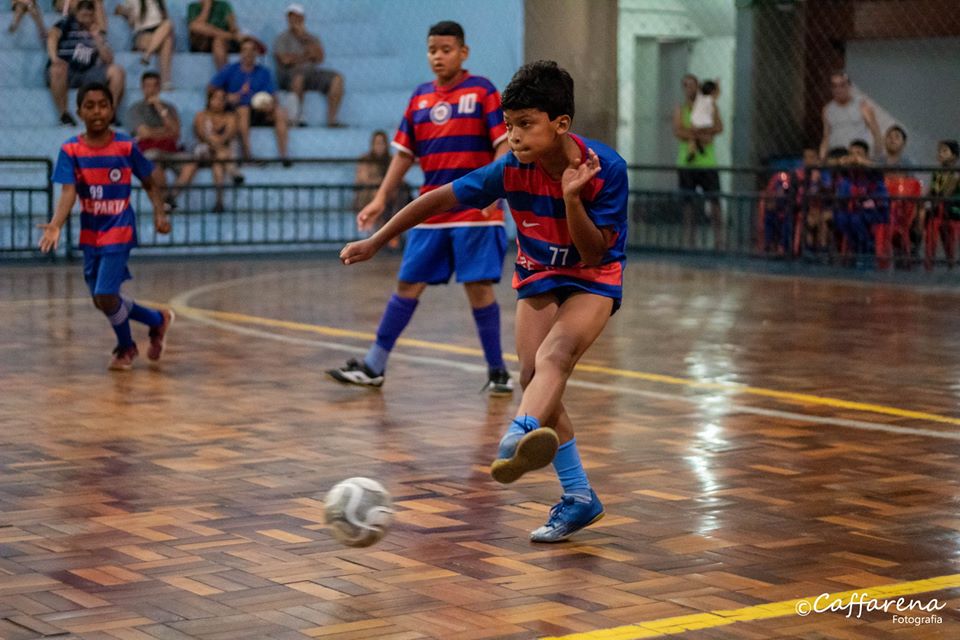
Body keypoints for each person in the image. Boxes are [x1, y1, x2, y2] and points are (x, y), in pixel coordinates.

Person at [339, 60, 627, 543]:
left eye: (525, 125)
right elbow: (434, 200)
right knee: (535, 376)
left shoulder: (605, 169)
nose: (513, 136)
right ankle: (579, 498)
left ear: (561, 124)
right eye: (509, 125)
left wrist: (572, 199)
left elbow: (593, 250)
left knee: (555, 356)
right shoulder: (510, 169)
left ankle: (518, 433)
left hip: (591, 273)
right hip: (538, 271)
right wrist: (376, 239)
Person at [327, 21, 512, 394]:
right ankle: (374, 365)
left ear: (463, 52)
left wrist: (495, 190)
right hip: (431, 212)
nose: (438, 56)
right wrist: (380, 198)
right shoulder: (420, 98)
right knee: (407, 284)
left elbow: (503, 144)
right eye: (432, 50)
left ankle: (498, 372)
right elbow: (403, 155)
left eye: (446, 49)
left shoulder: (482, 91)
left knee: (478, 289)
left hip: (475, 212)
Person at [38, 82, 174, 370]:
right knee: (102, 300)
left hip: (119, 229)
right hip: (91, 234)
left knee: (105, 295)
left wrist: (160, 213)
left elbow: (149, 182)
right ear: (79, 112)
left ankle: (126, 348)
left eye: (103, 105)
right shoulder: (71, 150)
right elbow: (68, 192)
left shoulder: (125, 145)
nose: (97, 111)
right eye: (90, 106)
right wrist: (55, 224)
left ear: (112, 109)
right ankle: (156, 320)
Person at [209, 36, 290, 165]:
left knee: (280, 112)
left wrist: (270, 105)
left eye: (252, 50)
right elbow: (211, 88)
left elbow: (273, 95)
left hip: (259, 110)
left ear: (256, 53)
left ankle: (284, 156)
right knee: (243, 109)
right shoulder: (230, 69)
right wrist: (227, 96)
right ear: (240, 53)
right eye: (245, 50)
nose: (248, 53)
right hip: (238, 110)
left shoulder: (264, 72)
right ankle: (248, 155)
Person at [47, 0, 126, 126]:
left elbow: (108, 59)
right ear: (77, 14)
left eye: (89, 15)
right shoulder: (66, 23)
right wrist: (54, 58)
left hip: (89, 72)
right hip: (68, 70)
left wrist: (97, 38)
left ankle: (110, 114)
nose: (86, 18)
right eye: (83, 15)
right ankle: (64, 114)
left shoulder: (96, 31)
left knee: (117, 71)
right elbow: (52, 36)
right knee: (56, 69)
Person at [167, 87, 239, 213]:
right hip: (203, 152)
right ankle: (171, 197)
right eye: (215, 98)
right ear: (209, 100)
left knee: (218, 164)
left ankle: (219, 202)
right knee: (191, 165)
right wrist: (214, 142)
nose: (219, 102)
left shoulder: (231, 117)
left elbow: (229, 135)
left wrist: (217, 142)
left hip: (220, 154)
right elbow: (201, 135)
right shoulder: (201, 115)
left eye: (222, 99)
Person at [673, 73, 724, 249]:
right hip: (687, 163)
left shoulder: (709, 106)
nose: (690, 89)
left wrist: (697, 133)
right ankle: (690, 241)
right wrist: (699, 134)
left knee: (715, 201)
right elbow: (678, 131)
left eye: (693, 85)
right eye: (686, 85)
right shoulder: (682, 109)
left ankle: (719, 240)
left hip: (707, 162)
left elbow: (718, 127)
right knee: (689, 204)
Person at [273, 3, 345, 128]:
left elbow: (319, 57)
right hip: (289, 74)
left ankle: (332, 120)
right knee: (299, 78)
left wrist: (304, 39)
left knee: (337, 79)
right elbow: (285, 61)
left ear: (302, 18)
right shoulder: (282, 38)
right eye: (290, 17)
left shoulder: (312, 38)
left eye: (296, 17)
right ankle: (297, 118)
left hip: (311, 72)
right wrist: (306, 56)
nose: (293, 20)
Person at [125, 71, 181, 197]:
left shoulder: (169, 108)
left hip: (170, 150)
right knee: (152, 163)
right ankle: (164, 201)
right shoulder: (135, 109)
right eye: (147, 86)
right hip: (150, 151)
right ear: (142, 88)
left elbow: (176, 133)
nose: (151, 89)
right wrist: (166, 131)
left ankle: (171, 197)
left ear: (159, 87)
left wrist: (159, 107)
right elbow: (144, 133)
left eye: (155, 86)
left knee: (191, 164)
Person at [818, 71, 881, 161]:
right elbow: (826, 137)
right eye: (834, 86)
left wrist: (876, 157)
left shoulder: (862, 106)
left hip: (857, 159)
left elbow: (876, 132)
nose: (838, 89)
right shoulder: (827, 110)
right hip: (836, 158)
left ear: (849, 86)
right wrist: (822, 159)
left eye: (842, 85)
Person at [354, 130, 401, 249]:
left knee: (400, 193)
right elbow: (362, 179)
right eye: (377, 143)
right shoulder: (365, 159)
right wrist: (383, 185)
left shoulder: (391, 159)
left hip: (390, 196)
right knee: (379, 195)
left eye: (382, 143)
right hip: (369, 195)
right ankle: (387, 236)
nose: (379, 146)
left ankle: (393, 234)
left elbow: (399, 177)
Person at [115, 0, 175, 89]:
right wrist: (127, 13)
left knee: (168, 35)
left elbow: (165, 19)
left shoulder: (160, 2)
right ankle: (166, 82)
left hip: (159, 33)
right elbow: (118, 9)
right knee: (168, 28)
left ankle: (147, 55)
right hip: (143, 34)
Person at [922, 140, 960, 270]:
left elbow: (947, 192)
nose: (940, 153)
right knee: (930, 232)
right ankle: (928, 263)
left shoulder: (956, 173)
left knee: (949, 241)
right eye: (939, 151)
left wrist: (934, 202)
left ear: (954, 156)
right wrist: (923, 199)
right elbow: (931, 190)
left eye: (944, 151)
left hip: (953, 211)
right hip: (937, 210)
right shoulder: (937, 172)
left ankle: (950, 264)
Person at [187, 0, 240, 70]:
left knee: (218, 41)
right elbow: (195, 27)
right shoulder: (192, 7)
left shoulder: (224, 5)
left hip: (222, 42)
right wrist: (207, 7)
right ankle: (224, 35)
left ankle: (224, 77)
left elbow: (233, 27)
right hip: (202, 43)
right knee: (196, 26)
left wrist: (233, 29)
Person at [686, 79, 718, 162]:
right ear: (712, 92)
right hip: (706, 122)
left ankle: (692, 151)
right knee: (707, 137)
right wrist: (718, 85)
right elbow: (717, 94)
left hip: (695, 121)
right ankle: (700, 145)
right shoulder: (711, 99)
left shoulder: (699, 97)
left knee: (692, 138)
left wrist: (700, 85)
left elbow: (699, 90)